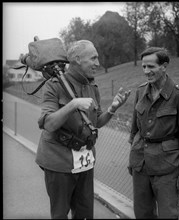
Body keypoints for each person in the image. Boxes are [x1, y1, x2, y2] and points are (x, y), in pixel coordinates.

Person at [35, 40, 131, 219]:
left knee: (85, 213)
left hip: (85, 161)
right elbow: (48, 124)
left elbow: (95, 122)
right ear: (77, 59)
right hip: (58, 161)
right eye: (93, 58)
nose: (98, 63)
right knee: (60, 214)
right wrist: (73, 104)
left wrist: (113, 109)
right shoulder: (53, 86)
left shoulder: (92, 87)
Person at [128, 47, 179, 219]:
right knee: (142, 213)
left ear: (164, 66)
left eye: (151, 67)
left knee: (168, 214)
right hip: (141, 165)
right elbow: (134, 129)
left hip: (167, 167)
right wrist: (133, 159)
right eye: (144, 67)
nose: (146, 71)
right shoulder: (140, 91)